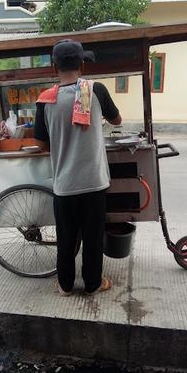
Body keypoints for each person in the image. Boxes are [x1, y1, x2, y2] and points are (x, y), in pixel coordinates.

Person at [34, 39, 122, 296]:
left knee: (67, 238)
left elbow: (40, 143)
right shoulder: (97, 90)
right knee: (93, 237)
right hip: (94, 182)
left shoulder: (44, 100)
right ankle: (93, 284)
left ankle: (65, 285)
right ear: (82, 64)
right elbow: (117, 120)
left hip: (64, 184)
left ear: (54, 66)